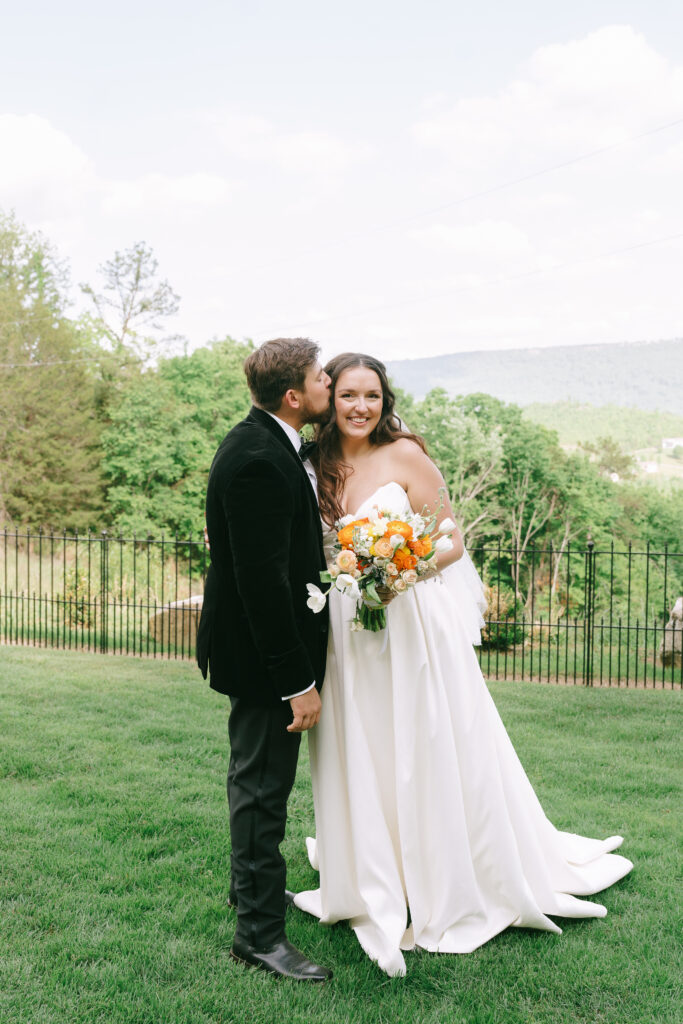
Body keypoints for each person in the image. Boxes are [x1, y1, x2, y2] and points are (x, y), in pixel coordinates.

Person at [294, 352, 633, 977]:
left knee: (425, 743)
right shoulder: (315, 464)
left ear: (385, 399)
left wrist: (402, 571)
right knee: (366, 744)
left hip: (412, 621)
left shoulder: (406, 457)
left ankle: (447, 871)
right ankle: (378, 866)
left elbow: (450, 539)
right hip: (351, 628)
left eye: (371, 395)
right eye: (347, 396)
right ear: (329, 400)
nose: (360, 407)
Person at [196, 338, 333, 982]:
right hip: (263, 661)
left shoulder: (265, 441)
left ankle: (248, 893)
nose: (329, 384)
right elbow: (261, 583)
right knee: (260, 791)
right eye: (320, 377)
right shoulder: (258, 458)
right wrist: (296, 680)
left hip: (257, 653)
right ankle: (257, 937)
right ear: (293, 396)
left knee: (254, 783)